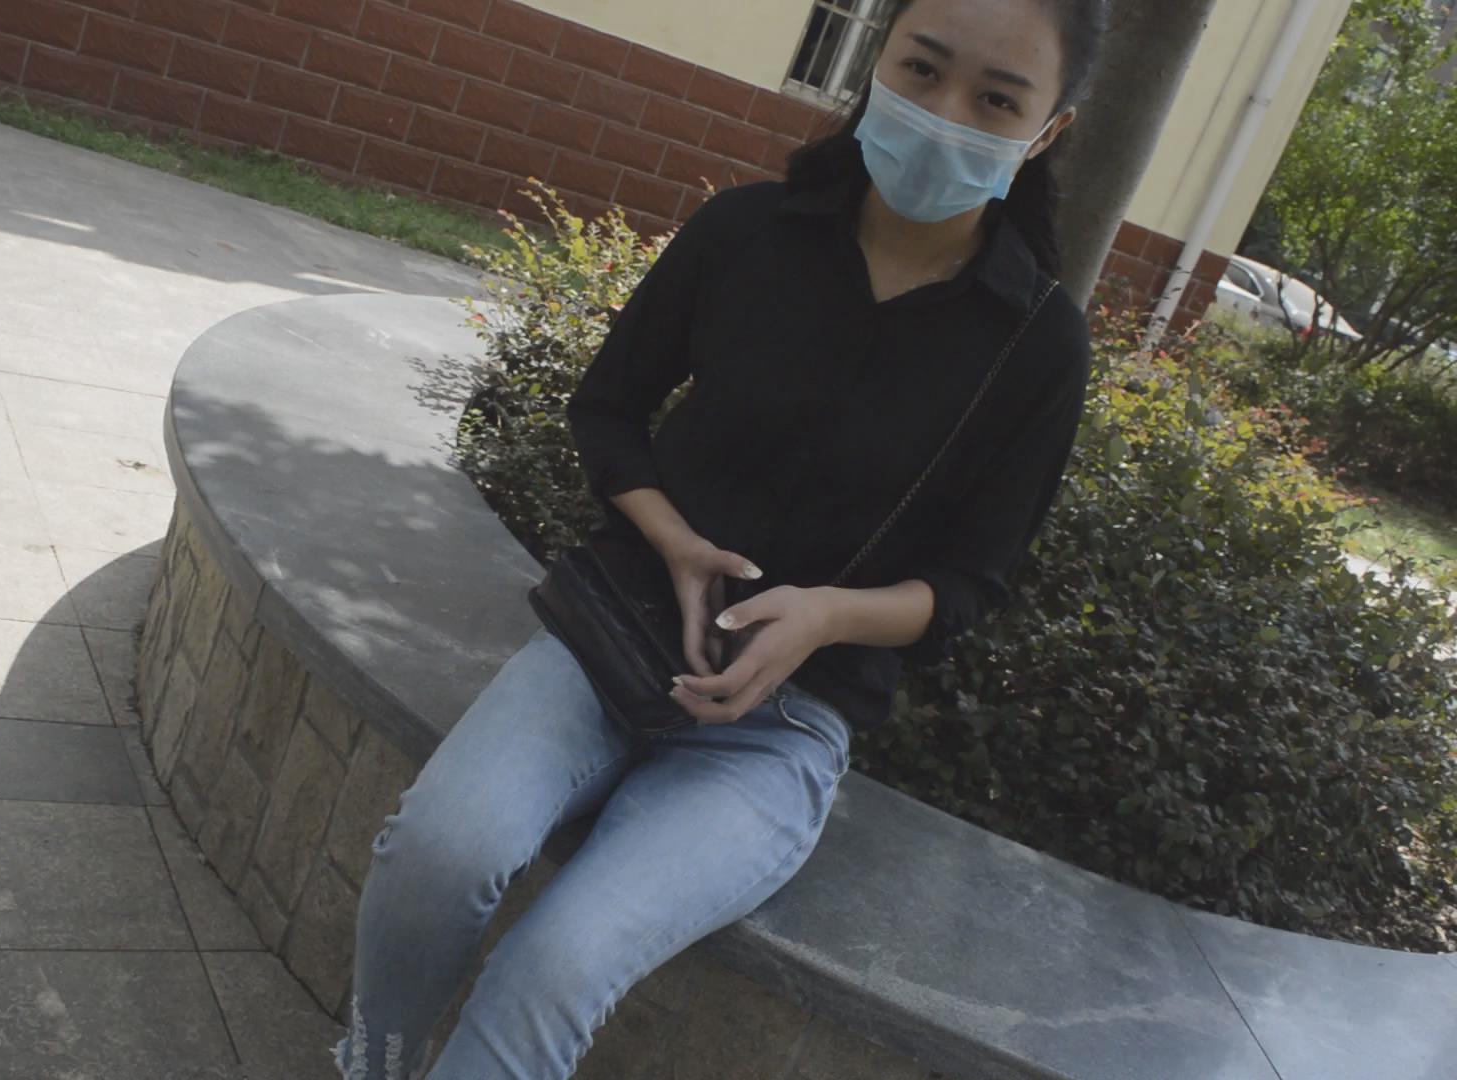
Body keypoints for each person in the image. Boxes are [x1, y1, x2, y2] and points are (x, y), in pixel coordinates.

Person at [333, 1, 1105, 1076]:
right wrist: (676, 541)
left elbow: (973, 582)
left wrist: (825, 618)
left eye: (997, 100)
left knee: (560, 961)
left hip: (783, 725)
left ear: (1049, 130)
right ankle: (371, 1063)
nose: (945, 115)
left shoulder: (1037, 344)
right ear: (876, 59)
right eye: (923, 70)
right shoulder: (747, 233)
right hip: (611, 639)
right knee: (440, 851)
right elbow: (608, 410)